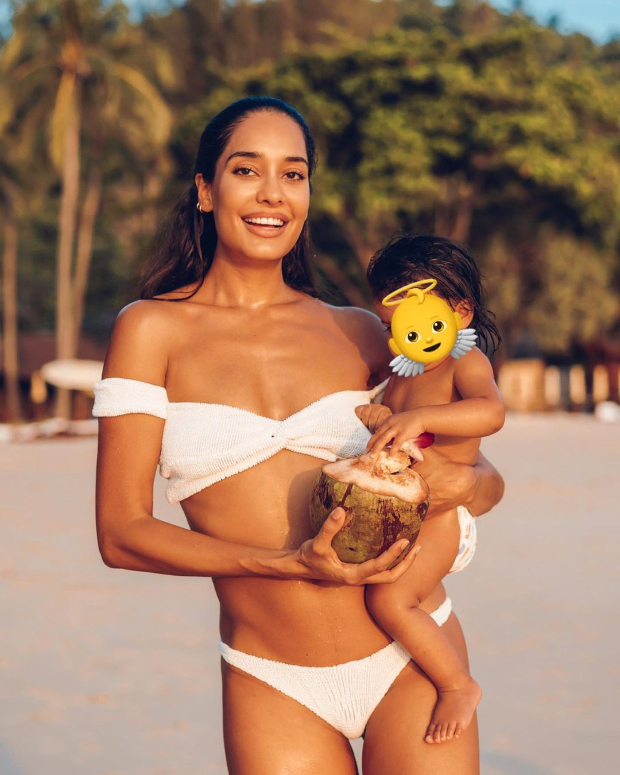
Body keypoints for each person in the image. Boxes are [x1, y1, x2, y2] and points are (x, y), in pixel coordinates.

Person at [93, 96, 504, 774]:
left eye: (293, 173)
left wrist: (463, 482)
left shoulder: (365, 332)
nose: (272, 194)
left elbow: (481, 476)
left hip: (408, 655)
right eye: (246, 170)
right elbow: (120, 533)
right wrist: (286, 565)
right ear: (205, 189)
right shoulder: (149, 331)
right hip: (272, 680)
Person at [354, 234, 504, 746]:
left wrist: (423, 415)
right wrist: (380, 414)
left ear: (459, 314)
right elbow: (393, 423)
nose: (399, 336)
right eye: (388, 325)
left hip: (443, 516)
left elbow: (491, 412)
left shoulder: (467, 364)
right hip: (410, 507)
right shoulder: (404, 372)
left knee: (390, 601)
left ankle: (457, 684)